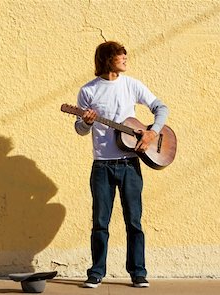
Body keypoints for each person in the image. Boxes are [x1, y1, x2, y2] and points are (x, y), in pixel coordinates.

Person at [75, 41, 169, 288]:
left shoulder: (132, 85)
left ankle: (138, 272)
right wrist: (86, 122)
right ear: (107, 59)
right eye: (121, 56)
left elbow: (161, 108)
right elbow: (79, 129)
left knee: (134, 221)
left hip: (130, 164)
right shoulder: (88, 91)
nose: (126, 58)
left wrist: (152, 133)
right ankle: (96, 272)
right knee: (100, 222)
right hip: (102, 166)